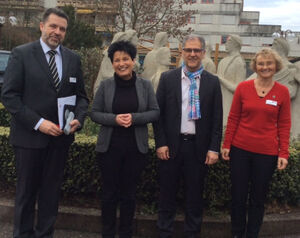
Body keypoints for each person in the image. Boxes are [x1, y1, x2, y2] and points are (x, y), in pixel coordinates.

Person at [1, 8, 89, 238]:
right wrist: (39, 123)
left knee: (51, 194)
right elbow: (9, 96)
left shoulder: (73, 58)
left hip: (60, 140)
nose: (57, 32)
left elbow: (82, 97)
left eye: (62, 29)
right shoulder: (21, 54)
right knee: (26, 194)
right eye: (53, 26)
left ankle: (45, 234)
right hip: (29, 139)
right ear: (42, 26)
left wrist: (78, 117)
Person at [153, 35, 223, 238]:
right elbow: (158, 115)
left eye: (197, 51)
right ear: (182, 52)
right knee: (166, 195)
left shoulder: (212, 82)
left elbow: (217, 119)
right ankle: (164, 232)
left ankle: (192, 234)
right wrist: (161, 143)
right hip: (171, 147)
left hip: (198, 149)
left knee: (194, 197)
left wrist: (213, 148)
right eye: (189, 50)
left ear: (203, 53)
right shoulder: (168, 79)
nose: (192, 54)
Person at [90, 40, 159, 238]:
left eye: (126, 59)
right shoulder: (106, 85)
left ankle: (126, 233)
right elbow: (94, 113)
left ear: (133, 60)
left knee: (129, 194)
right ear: (112, 63)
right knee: (109, 194)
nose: (122, 63)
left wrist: (135, 118)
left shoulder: (145, 85)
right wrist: (114, 119)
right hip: (109, 148)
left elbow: (155, 112)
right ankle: (108, 233)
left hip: (135, 149)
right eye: (117, 60)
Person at [222, 48, 291, 238]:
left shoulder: (282, 92)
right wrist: (227, 144)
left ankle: (252, 234)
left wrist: (283, 153)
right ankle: (237, 233)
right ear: (255, 66)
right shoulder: (243, 88)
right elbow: (234, 117)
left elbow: (284, 125)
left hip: (267, 153)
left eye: (269, 63)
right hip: (240, 150)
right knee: (238, 196)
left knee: (258, 199)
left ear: (276, 66)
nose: (265, 67)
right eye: (261, 64)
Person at [217, 34, 246, 125]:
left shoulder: (239, 62)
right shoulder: (223, 61)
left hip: (230, 102)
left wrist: (220, 79)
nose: (225, 44)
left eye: (228, 42)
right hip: (219, 100)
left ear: (235, 44)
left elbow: (238, 88)